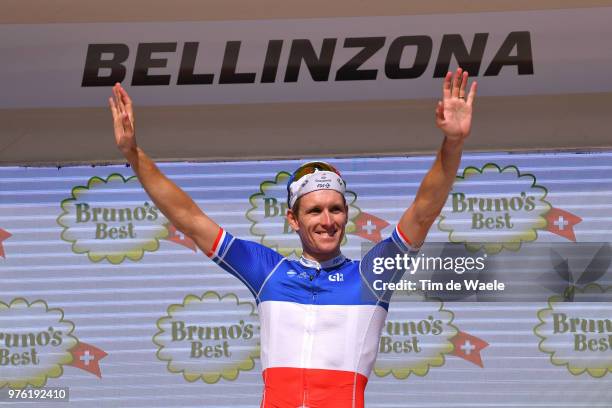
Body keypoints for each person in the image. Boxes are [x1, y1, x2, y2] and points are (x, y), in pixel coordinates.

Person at [109, 68, 477, 408]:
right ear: (293, 220)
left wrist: (453, 144)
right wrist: (133, 153)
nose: (328, 220)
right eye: (315, 211)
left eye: (336, 209)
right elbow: (189, 219)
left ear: (347, 215)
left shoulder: (372, 274)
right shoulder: (268, 271)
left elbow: (424, 210)